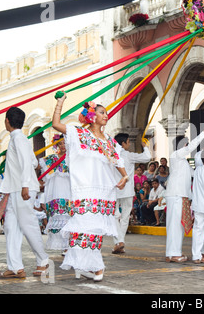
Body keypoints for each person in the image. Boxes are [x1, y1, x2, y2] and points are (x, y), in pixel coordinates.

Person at [52, 92, 128, 282]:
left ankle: (91, 266)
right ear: (92, 116)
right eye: (102, 112)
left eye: (106, 113)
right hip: (84, 190)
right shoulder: (80, 134)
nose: (106, 115)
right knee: (84, 228)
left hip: (104, 191)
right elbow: (56, 124)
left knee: (96, 230)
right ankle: (92, 266)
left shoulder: (109, 141)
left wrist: (125, 176)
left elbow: (117, 161)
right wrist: (60, 103)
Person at [0, 107, 49, 279]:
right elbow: (34, 162)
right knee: (10, 227)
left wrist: (26, 185)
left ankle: (43, 260)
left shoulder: (18, 138)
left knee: (28, 225)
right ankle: (15, 267)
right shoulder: (19, 138)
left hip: (23, 189)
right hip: (17, 189)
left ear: (7, 121)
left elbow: (28, 163)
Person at [164, 119, 204, 263]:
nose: (187, 146)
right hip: (176, 195)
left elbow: (196, 174)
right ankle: (173, 253)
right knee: (174, 225)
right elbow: (192, 146)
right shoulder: (176, 155)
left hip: (181, 196)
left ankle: (172, 253)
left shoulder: (183, 162)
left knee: (177, 224)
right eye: (186, 144)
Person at [112, 133, 151, 254]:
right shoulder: (128, 155)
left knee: (114, 216)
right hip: (127, 190)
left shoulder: (111, 154)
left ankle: (118, 242)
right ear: (123, 143)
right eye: (128, 142)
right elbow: (147, 157)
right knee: (124, 217)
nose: (129, 144)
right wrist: (145, 146)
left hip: (114, 189)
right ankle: (120, 241)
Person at [39, 134, 71, 253]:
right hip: (55, 192)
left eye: (65, 143)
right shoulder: (51, 159)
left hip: (69, 192)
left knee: (69, 218)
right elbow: (38, 166)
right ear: (56, 145)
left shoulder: (72, 158)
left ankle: (69, 245)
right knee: (57, 217)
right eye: (60, 143)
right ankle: (63, 246)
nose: (63, 146)